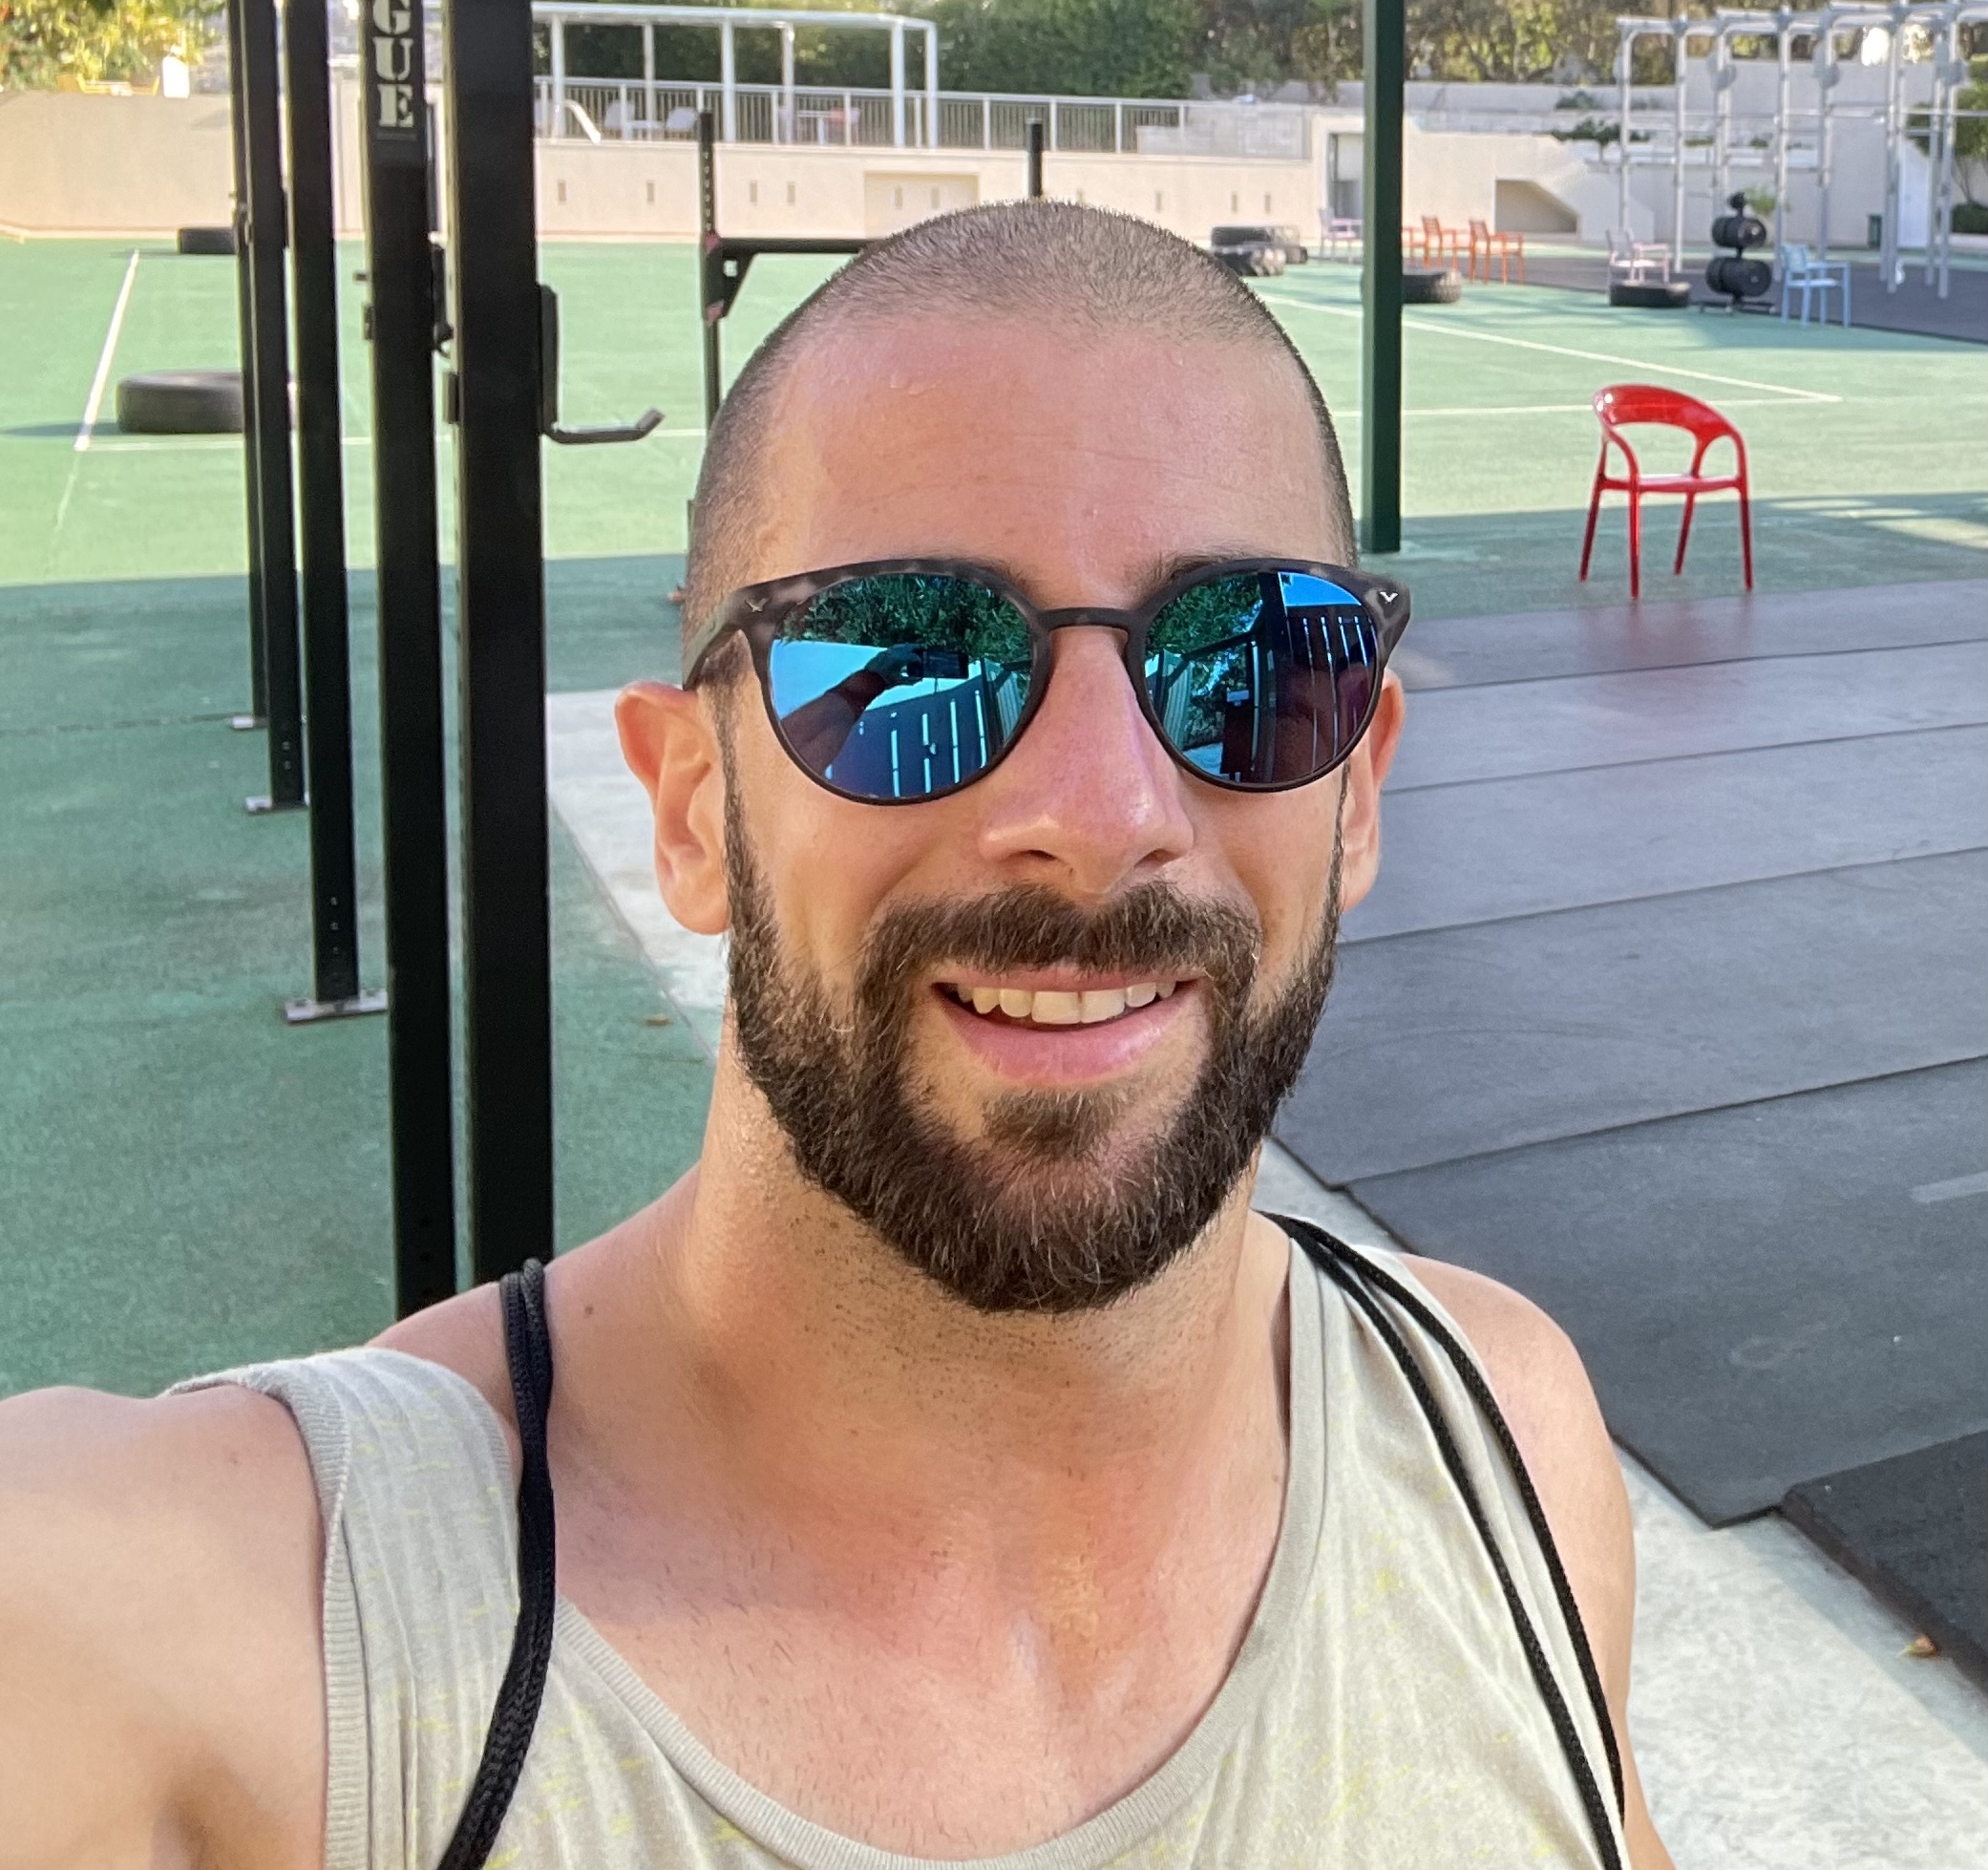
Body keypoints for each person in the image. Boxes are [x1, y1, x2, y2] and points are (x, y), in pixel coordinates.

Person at [0, 202, 1674, 1870]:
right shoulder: (194, 1631)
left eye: (1249, 659)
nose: (1100, 815)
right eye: (906, 652)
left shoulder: (1503, 1446)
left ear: (1356, 792)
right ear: (690, 806)